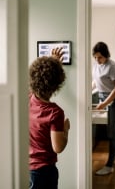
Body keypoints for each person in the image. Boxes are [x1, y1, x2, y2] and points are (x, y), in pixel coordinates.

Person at [29, 47, 70, 189]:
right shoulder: (55, 112)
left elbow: (41, 76)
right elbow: (58, 147)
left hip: (26, 168)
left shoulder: (27, 99)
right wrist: (66, 130)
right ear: (57, 85)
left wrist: (53, 61)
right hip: (44, 171)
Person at [92, 41, 115, 175]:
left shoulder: (112, 66)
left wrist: (104, 103)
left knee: (111, 132)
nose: (97, 60)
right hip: (102, 97)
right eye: (95, 57)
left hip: (114, 101)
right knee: (110, 131)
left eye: (100, 57)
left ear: (106, 55)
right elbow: (96, 82)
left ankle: (110, 165)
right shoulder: (96, 65)